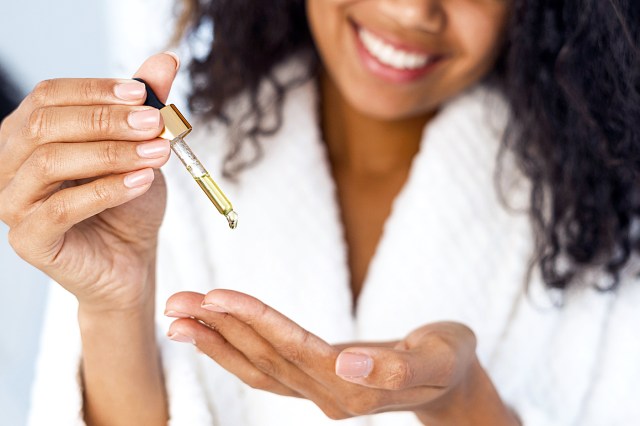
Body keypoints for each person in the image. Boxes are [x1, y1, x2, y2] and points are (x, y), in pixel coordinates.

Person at [1, 0, 638, 425]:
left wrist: (462, 398)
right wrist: (115, 304)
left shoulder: (603, 225)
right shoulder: (157, 178)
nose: (412, 9)